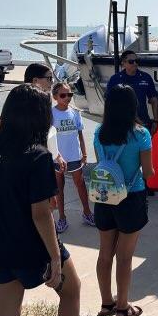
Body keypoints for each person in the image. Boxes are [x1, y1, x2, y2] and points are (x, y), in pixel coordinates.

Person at [0, 84, 102, 316]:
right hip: (34, 246)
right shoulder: (38, 156)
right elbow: (41, 213)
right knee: (71, 290)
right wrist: (56, 259)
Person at [93, 84, 153, 316]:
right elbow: (148, 173)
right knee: (125, 256)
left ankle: (106, 303)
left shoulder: (99, 132)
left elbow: (103, 165)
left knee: (105, 252)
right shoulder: (141, 134)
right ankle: (122, 306)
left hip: (104, 196)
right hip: (131, 196)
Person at [51, 82, 93, 234]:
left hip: (75, 156)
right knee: (59, 188)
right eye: (63, 95)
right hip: (57, 158)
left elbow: (80, 134)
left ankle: (87, 213)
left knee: (80, 184)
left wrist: (84, 153)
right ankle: (62, 218)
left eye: (69, 94)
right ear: (55, 97)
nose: (67, 98)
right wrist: (56, 155)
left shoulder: (75, 112)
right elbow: (49, 137)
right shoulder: (51, 113)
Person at [106, 51, 158, 132]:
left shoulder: (146, 77)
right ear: (123, 63)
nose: (135, 63)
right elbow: (109, 102)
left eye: (137, 61)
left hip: (142, 122)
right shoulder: (115, 79)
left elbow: (154, 99)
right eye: (131, 62)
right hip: (121, 124)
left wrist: (155, 120)